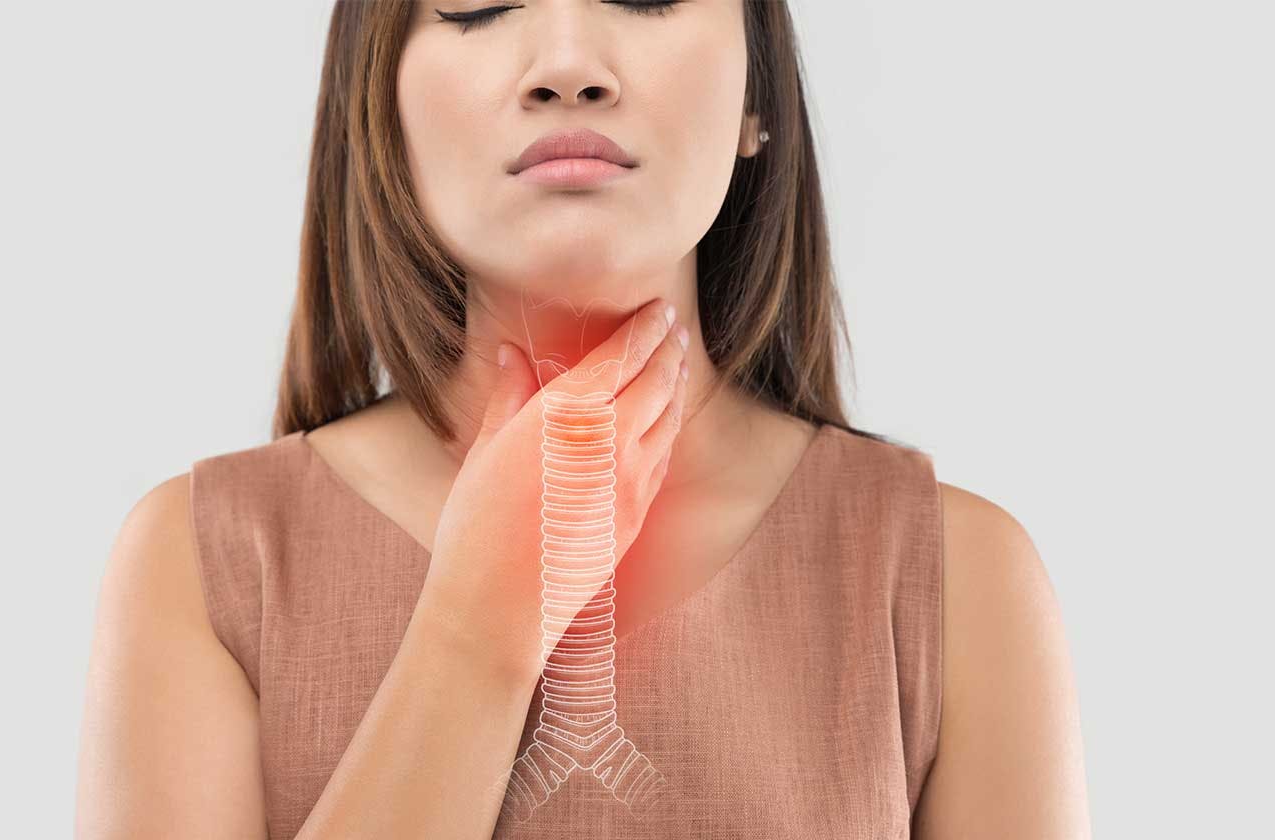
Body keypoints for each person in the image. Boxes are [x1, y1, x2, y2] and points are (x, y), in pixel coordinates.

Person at [76, 2, 1092, 838]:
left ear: (758, 103)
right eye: (480, 3)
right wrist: (479, 627)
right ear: (380, 105)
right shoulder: (205, 564)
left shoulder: (956, 580)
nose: (566, 65)